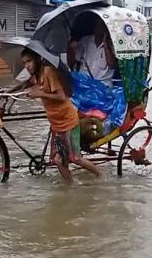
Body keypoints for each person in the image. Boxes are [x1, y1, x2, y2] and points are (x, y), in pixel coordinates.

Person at [21, 48, 101, 184]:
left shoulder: (48, 71)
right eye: (24, 63)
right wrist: (8, 90)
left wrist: (40, 94)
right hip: (56, 124)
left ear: (37, 60)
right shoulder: (37, 75)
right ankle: (72, 187)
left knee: (75, 158)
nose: (26, 66)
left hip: (68, 121)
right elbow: (27, 84)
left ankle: (101, 176)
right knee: (57, 160)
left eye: (29, 61)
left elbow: (61, 96)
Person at [70, 19, 117, 86]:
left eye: (104, 26)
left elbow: (112, 65)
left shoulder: (112, 44)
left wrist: (105, 44)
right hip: (85, 83)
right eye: (99, 26)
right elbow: (75, 60)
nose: (101, 29)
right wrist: (71, 49)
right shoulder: (85, 40)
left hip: (103, 85)